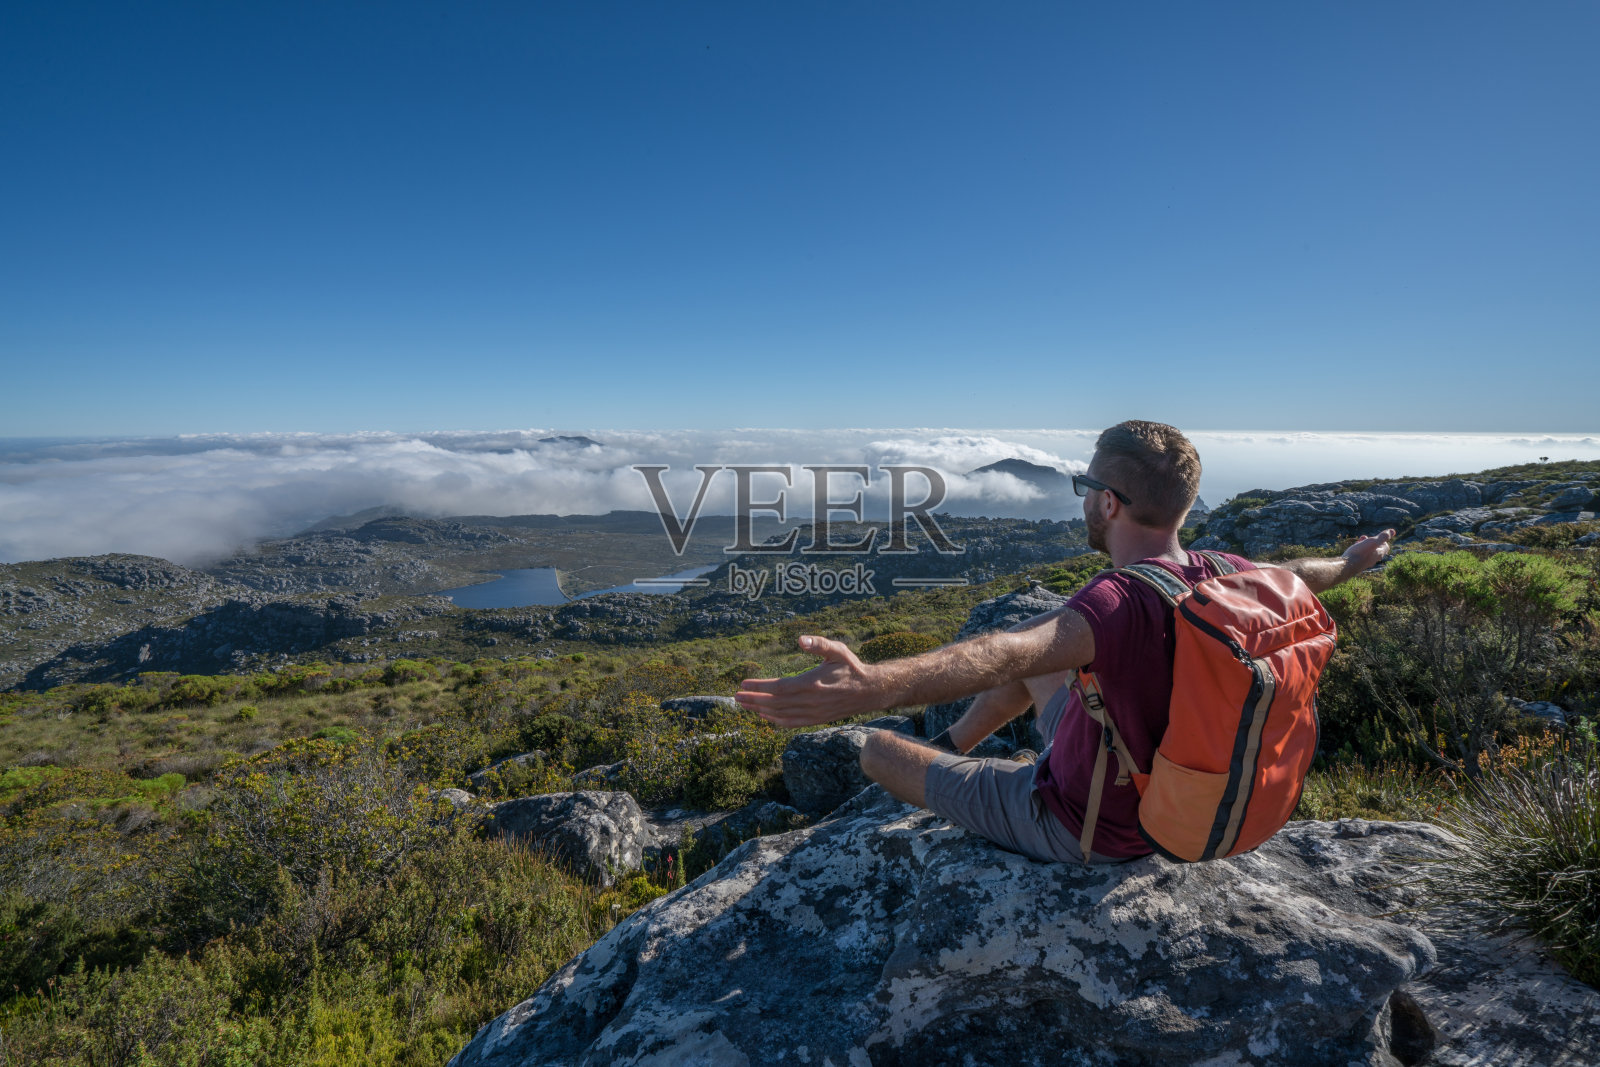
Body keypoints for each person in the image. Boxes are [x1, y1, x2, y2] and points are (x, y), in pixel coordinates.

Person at [736, 421, 1394, 863]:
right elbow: (1308, 574)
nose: (1080, 499)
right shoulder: (1231, 573)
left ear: (1108, 503)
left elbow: (1000, 654)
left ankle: (949, 765)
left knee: (879, 748)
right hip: (1162, 786)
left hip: (1087, 824)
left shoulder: (1112, 604)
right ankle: (953, 747)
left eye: (1084, 488)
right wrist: (1355, 561)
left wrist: (871, 683)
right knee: (1036, 648)